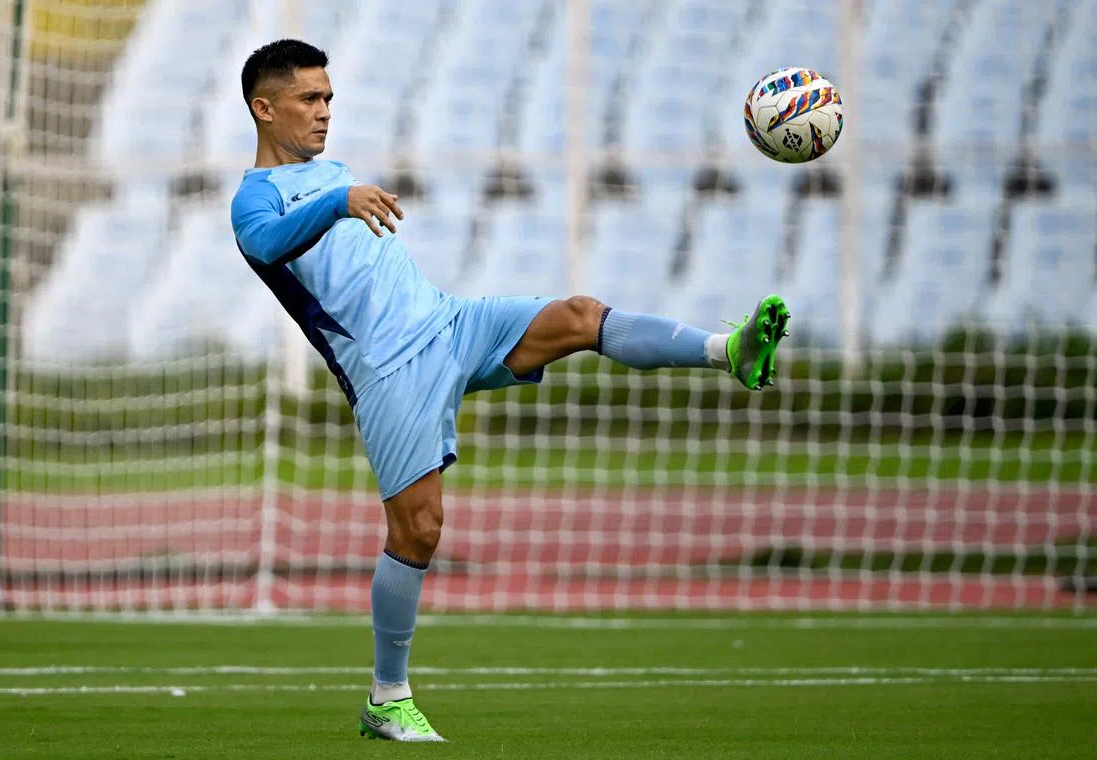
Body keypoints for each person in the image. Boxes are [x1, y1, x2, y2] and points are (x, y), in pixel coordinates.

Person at [231, 39, 790, 742]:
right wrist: (341, 201)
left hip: (449, 322)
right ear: (264, 106)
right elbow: (268, 244)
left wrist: (342, 191)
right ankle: (387, 695)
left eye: (330, 99)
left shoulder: (332, 168)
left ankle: (726, 350)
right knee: (419, 530)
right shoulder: (256, 198)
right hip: (388, 369)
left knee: (581, 316)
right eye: (310, 99)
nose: (324, 113)